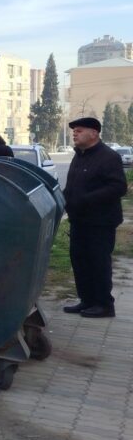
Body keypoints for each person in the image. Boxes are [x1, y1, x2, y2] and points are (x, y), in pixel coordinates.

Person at [62, 117, 128, 319]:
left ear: (94, 133)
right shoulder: (79, 155)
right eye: (74, 131)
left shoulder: (108, 157)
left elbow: (118, 187)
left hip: (100, 222)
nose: (74, 134)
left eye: (79, 130)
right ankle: (87, 300)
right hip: (79, 220)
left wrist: (86, 199)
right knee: (80, 261)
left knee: (98, 263)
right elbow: (73, 185)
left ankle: (104, 305)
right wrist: (64, 199)